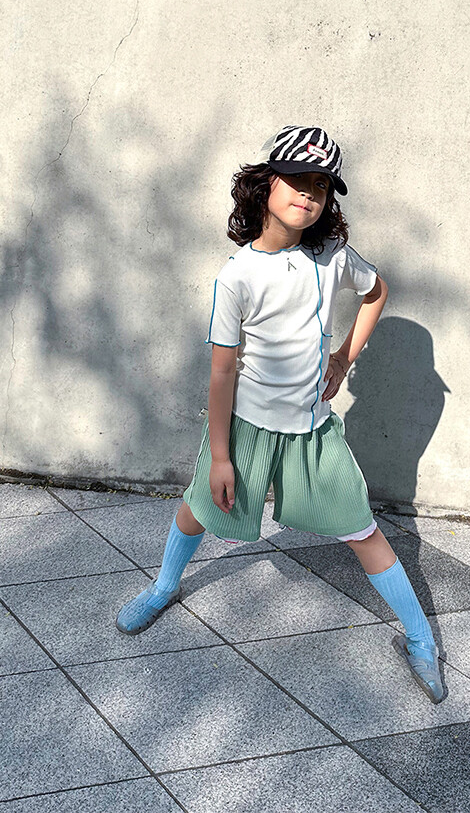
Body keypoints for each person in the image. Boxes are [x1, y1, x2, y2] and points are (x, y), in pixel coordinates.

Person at [116, 123, 444, 702]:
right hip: (245, 429)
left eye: (321, 186)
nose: (308, 194)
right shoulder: (236, 275)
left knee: (363, 531)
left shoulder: (333, 257)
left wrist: (343, 356)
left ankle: (420, 639)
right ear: (267, 183)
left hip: (313, 432)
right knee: (199, 507)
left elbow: (376, 292)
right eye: (297, 179)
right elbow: (222, 372)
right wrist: (222, 457)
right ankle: (164, 585)